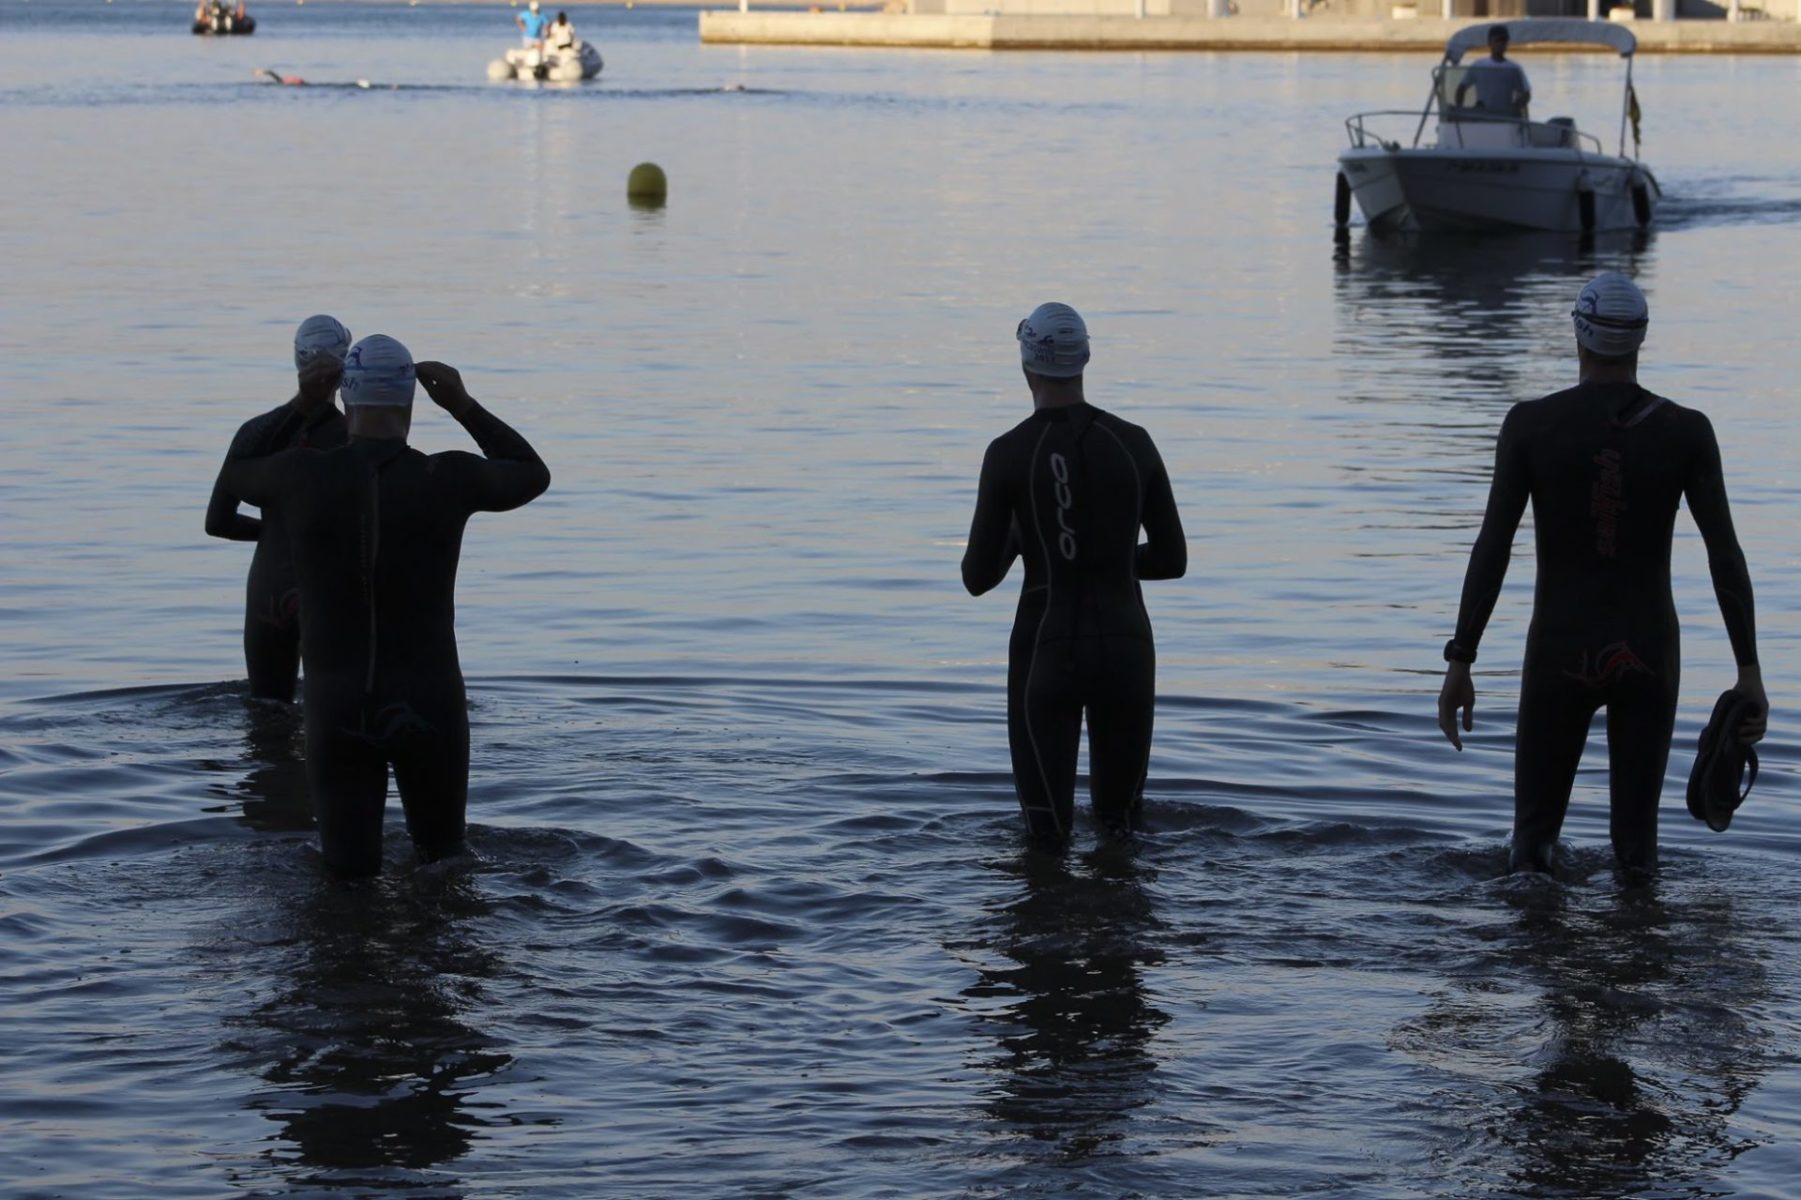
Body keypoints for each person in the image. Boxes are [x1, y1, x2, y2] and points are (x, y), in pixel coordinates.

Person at [1437, 273, 1766, 875]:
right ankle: (1639, 956)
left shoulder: (1529, 425)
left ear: (1578, 335)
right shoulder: (1687, 431)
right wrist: (1749, 672)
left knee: (1531, 848)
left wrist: (1462, 659)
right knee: (1638, 855)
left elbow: (1493, 546)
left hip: (1558, 649)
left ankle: (1531, 955)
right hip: (1648, 653)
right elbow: (1726, 554)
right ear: (1640, 341)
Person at [221, 336, 551, 878]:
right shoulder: (448, 477)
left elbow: (237, 469)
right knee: (445, 872)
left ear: (344, 400)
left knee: (345, 885)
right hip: (430, 704)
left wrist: (302, 405)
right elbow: (530, 471)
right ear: (412, 404)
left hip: (338, 708)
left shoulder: (299, 477)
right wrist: (464, 405)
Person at [962, 303, 1187, 852]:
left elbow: (977, 576)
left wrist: (1028, 541)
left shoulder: (1008, 453)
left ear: (1026, 364)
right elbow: (1172, 559)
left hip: (1047, 649)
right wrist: (1106, 559)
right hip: (1127, 647)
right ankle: (1122, 930)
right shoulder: (1135, 441)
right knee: (1122, 831)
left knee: (1045, 837)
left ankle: (1047, 931)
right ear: (1084, 359)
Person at [206, 315, 352, 703]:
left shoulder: (256, 436)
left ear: (297, 362)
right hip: (331, 592)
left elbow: (216, 522)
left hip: (269, 590)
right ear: (345, 367)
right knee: (337, 715)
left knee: (265, 716)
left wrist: (275, 531)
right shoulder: (356, 441)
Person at [1454, 24, 1531, 118]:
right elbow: (1461, 88)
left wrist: (1514, 108)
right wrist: (1459, 111)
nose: (1500, 44)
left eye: (1503, 41)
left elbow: (1525, 94)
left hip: (1505, 117)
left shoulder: (1514, 68)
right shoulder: (1479, 65)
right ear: (1490, 43)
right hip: (1482, 115)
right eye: (1497, 41)